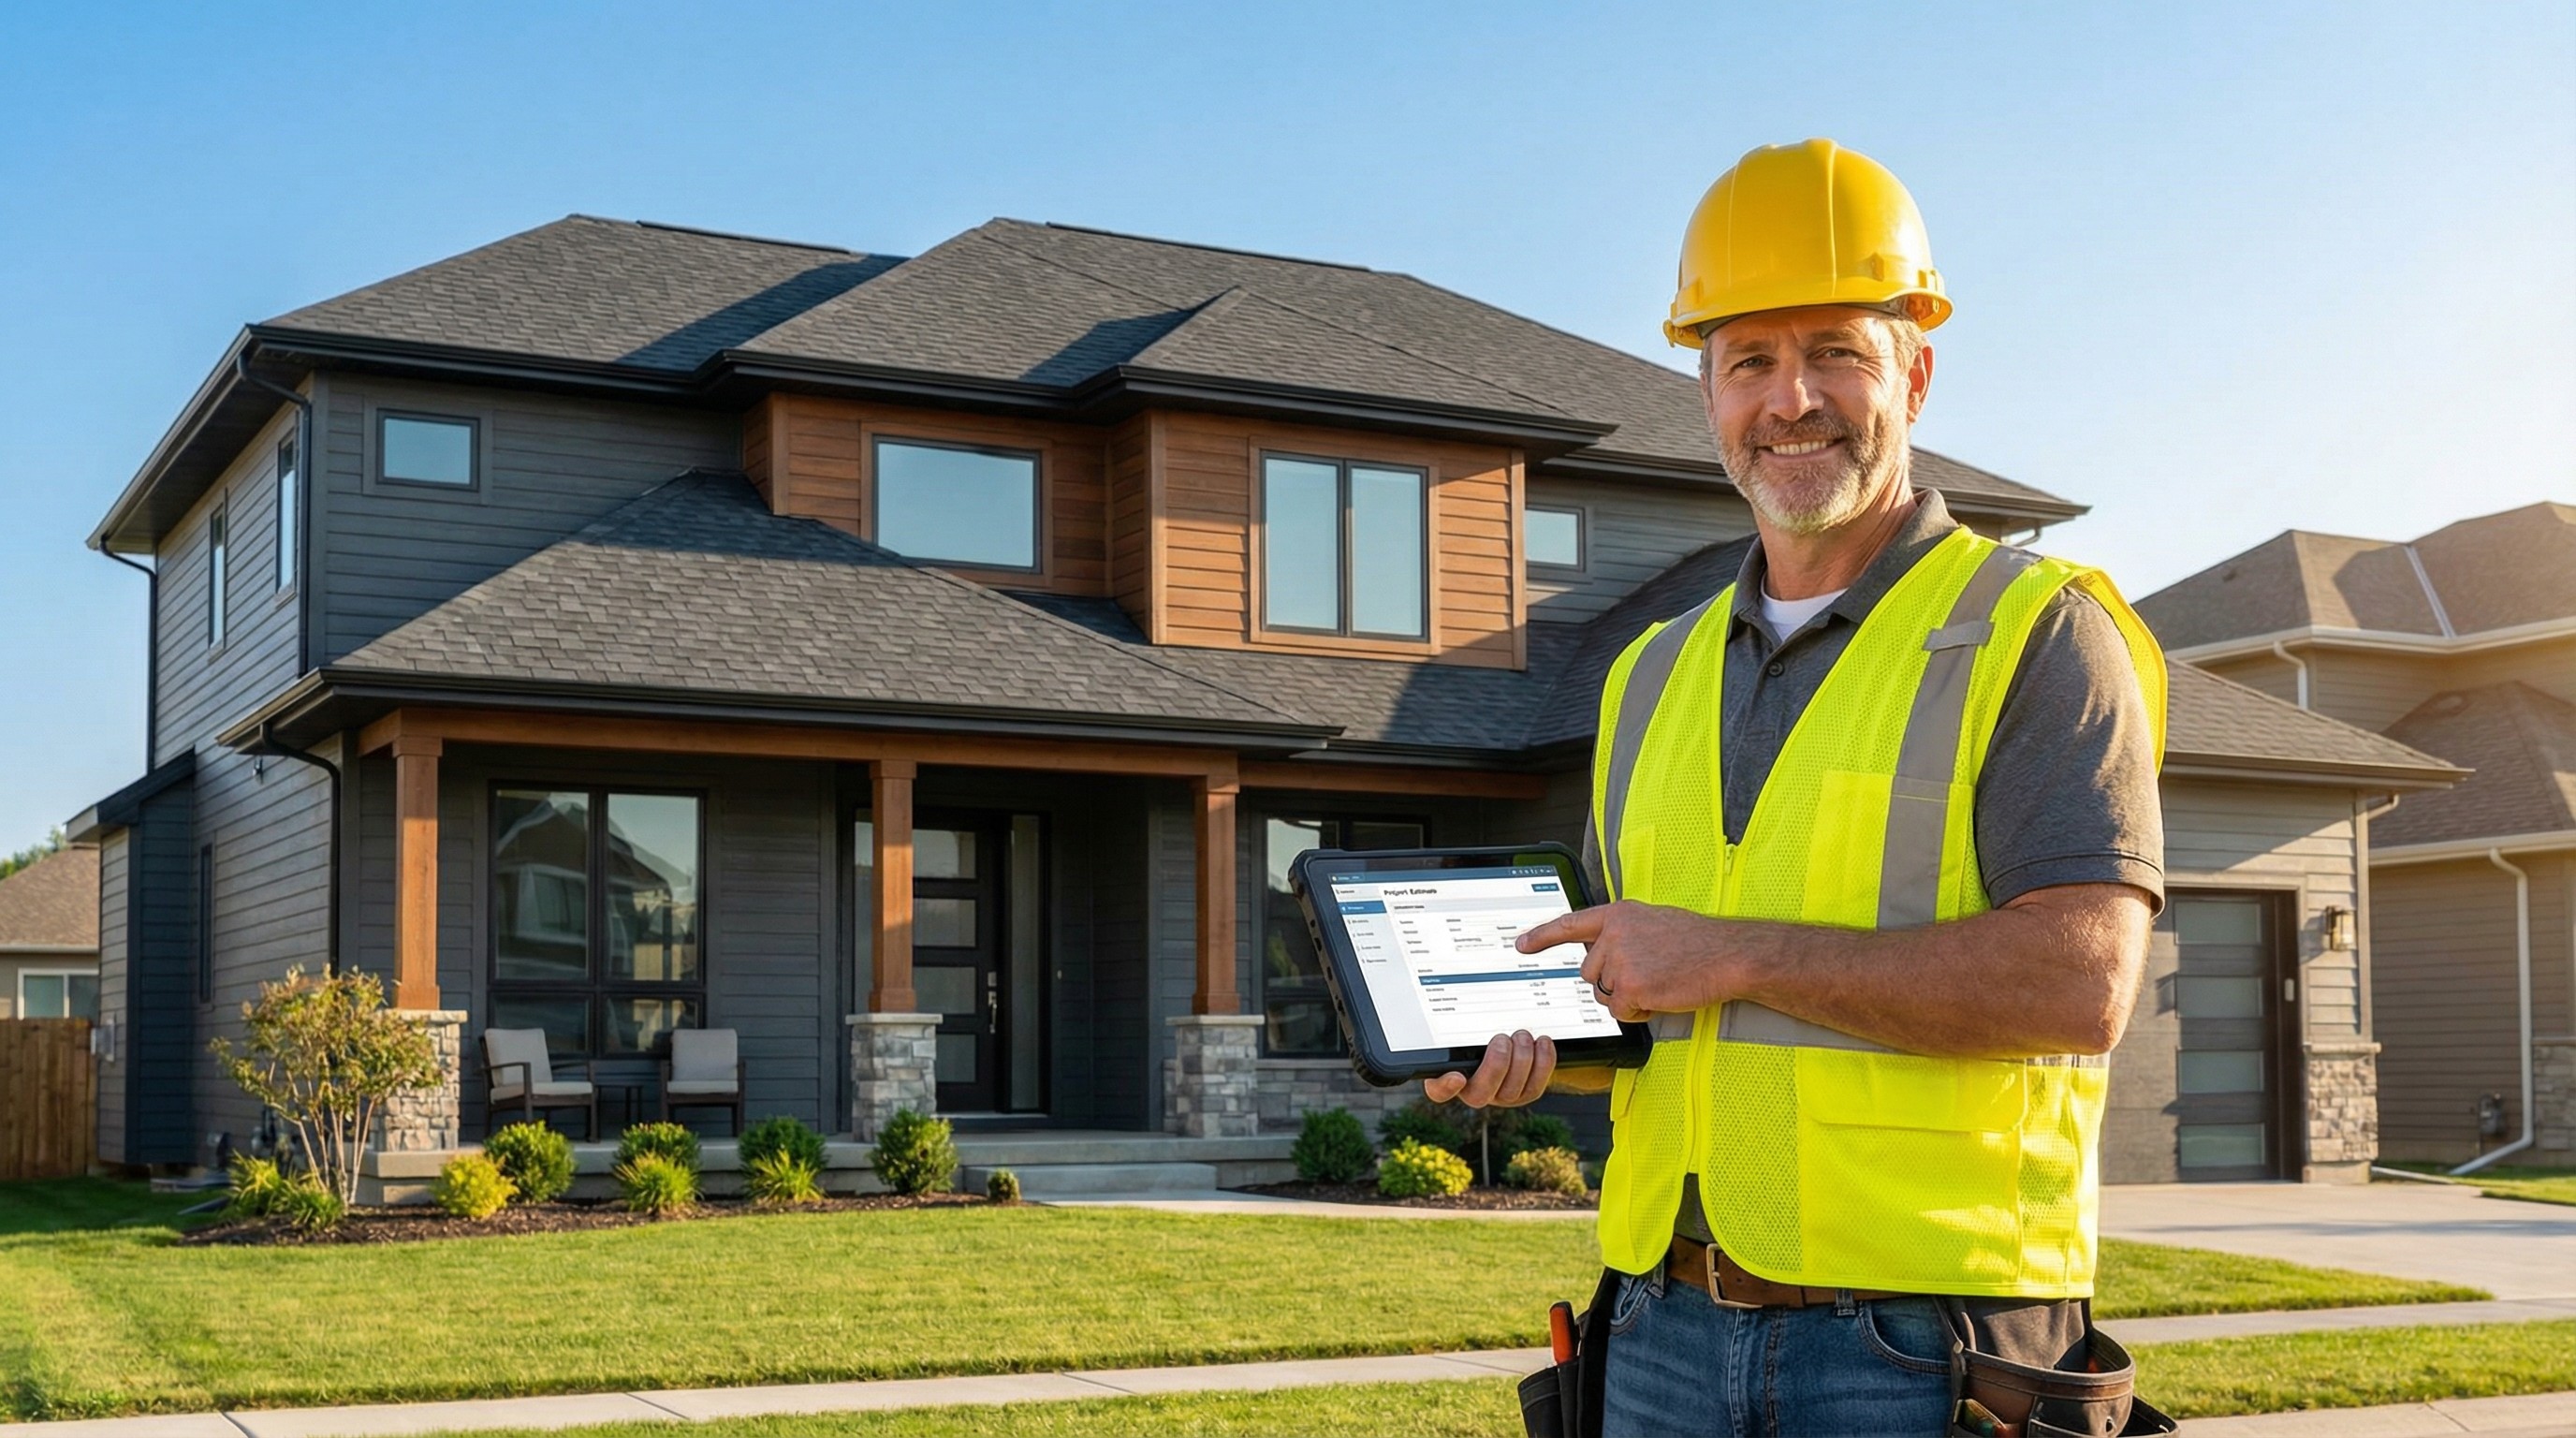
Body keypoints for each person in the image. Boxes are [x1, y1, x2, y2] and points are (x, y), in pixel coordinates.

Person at [1426, 139, 2170, 1436]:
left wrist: (1734, 953)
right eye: (1748, 362)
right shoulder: (1648, 676)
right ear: (1707, 392)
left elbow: (2083, 984)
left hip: (1919, 1343)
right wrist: (1527, 1048)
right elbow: (1661, 1002)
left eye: (1836, 350)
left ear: (1916, 374)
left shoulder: (2034, 631)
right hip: (1658, 1322)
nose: (1790, 400)